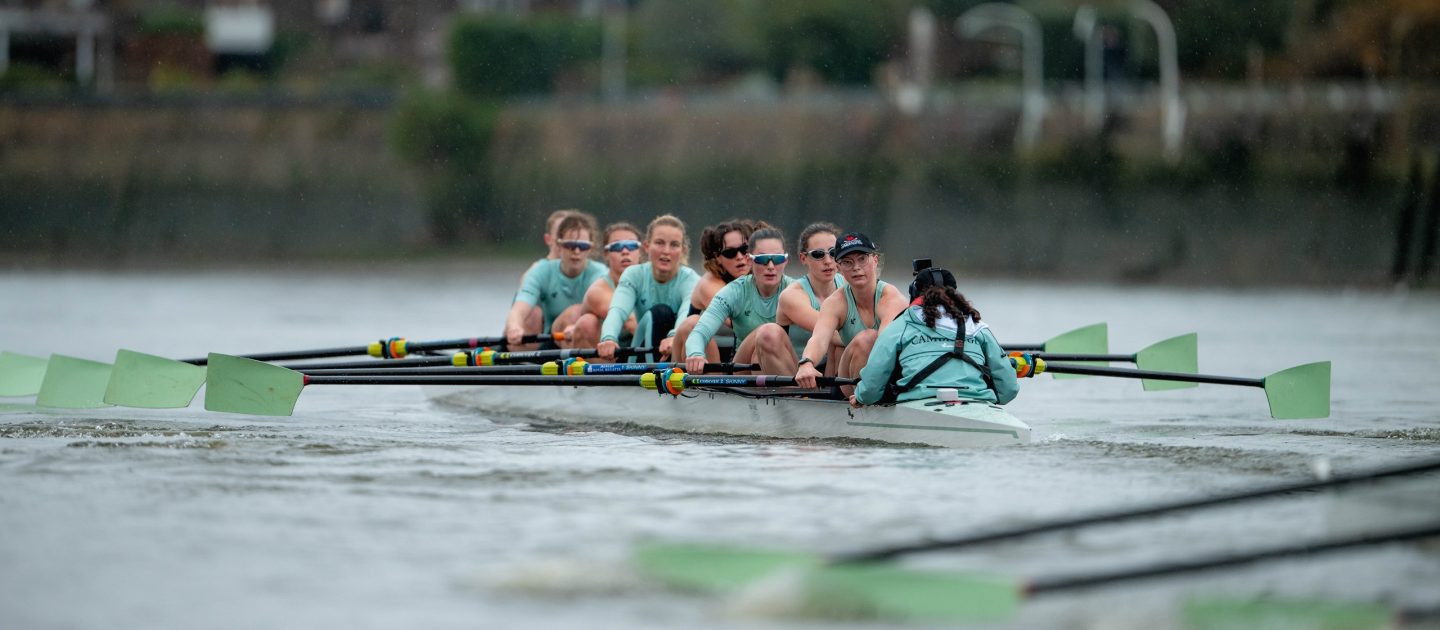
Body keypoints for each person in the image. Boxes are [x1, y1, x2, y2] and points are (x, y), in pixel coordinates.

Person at [851, 265, 1022, 407]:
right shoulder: (977, 326)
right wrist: (989, 398)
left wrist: (861, 397)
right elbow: (1009, 389)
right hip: (977, 402)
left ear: (915, 293)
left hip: (918, 403)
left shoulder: (901, 324)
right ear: (954, 294)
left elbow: (872, 385)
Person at [794, 232, 908, 392]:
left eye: (862, 259)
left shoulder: (892, 298)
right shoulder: (835, 302)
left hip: (887, 375)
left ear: (874, 260)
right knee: (866, 339)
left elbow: (885, 348)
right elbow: (819, 339)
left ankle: (869, 396)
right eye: (847, 262)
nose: (856, 267)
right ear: (838, 268)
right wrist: (806, 363)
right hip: (850, 381)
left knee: (870, 339)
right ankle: (861, 398)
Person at [684, 226, 796, 374]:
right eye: (762, 259)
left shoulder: (797, 290)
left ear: (785, 260)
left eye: (777, 259)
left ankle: (794, 393)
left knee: (767, 338)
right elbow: (699, 332)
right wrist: (695, 354)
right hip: (743, 368)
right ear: (750, 260)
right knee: (766, 335)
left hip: (793, 368)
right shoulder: (734, 291)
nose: (770, 266)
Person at [596, 215, 700, 363]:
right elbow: (618, 311)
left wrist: (673, 336)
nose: (666, 251)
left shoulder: (691, 279)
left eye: (674, 245)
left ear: (682, 250)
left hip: (676, 349)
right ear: (646, 246)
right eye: (659, 243)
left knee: (682, 323)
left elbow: (685, 313)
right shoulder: (633, 274)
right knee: (660, 313)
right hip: (640, 354)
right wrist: (608, 338)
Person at [504, 212, 607, 346]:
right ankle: (522, 363)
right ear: (559, 245)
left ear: (590, 247)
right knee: (532, 314)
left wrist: (577, 326)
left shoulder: (600, 273)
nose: (576, 251)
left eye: (583, 246)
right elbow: (520, 307)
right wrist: (514, 326)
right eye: (570, 245)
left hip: (582, 336)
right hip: (549, 339)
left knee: (576, 312)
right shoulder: (541, 270)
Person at [672, 219, 756, 364]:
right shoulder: (709, 284)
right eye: (730, 253)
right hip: (697, 356)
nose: (740, 257)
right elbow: (742, 321)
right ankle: (711, 382)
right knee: (692, 323)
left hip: (736, 355)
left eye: (745, 249)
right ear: (717, 258)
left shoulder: (759, 275)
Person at [776, 222, 844, 372]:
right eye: (818, 255)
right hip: (798, 369)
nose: (828, 261)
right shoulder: (792, 295)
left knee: (843, 345)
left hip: (834, 366)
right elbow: (829, 334)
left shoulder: (849, 285)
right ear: (803, 258)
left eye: (833, 252)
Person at [565, 222, 644, 349]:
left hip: (638, 349)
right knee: (586, 322)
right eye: (617, 246)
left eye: (631, 245)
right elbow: (630, 322)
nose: (625, 251)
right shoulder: (598, 290)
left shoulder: (653, 279)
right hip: (610, 355)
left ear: (640, 251)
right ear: (606, 254)